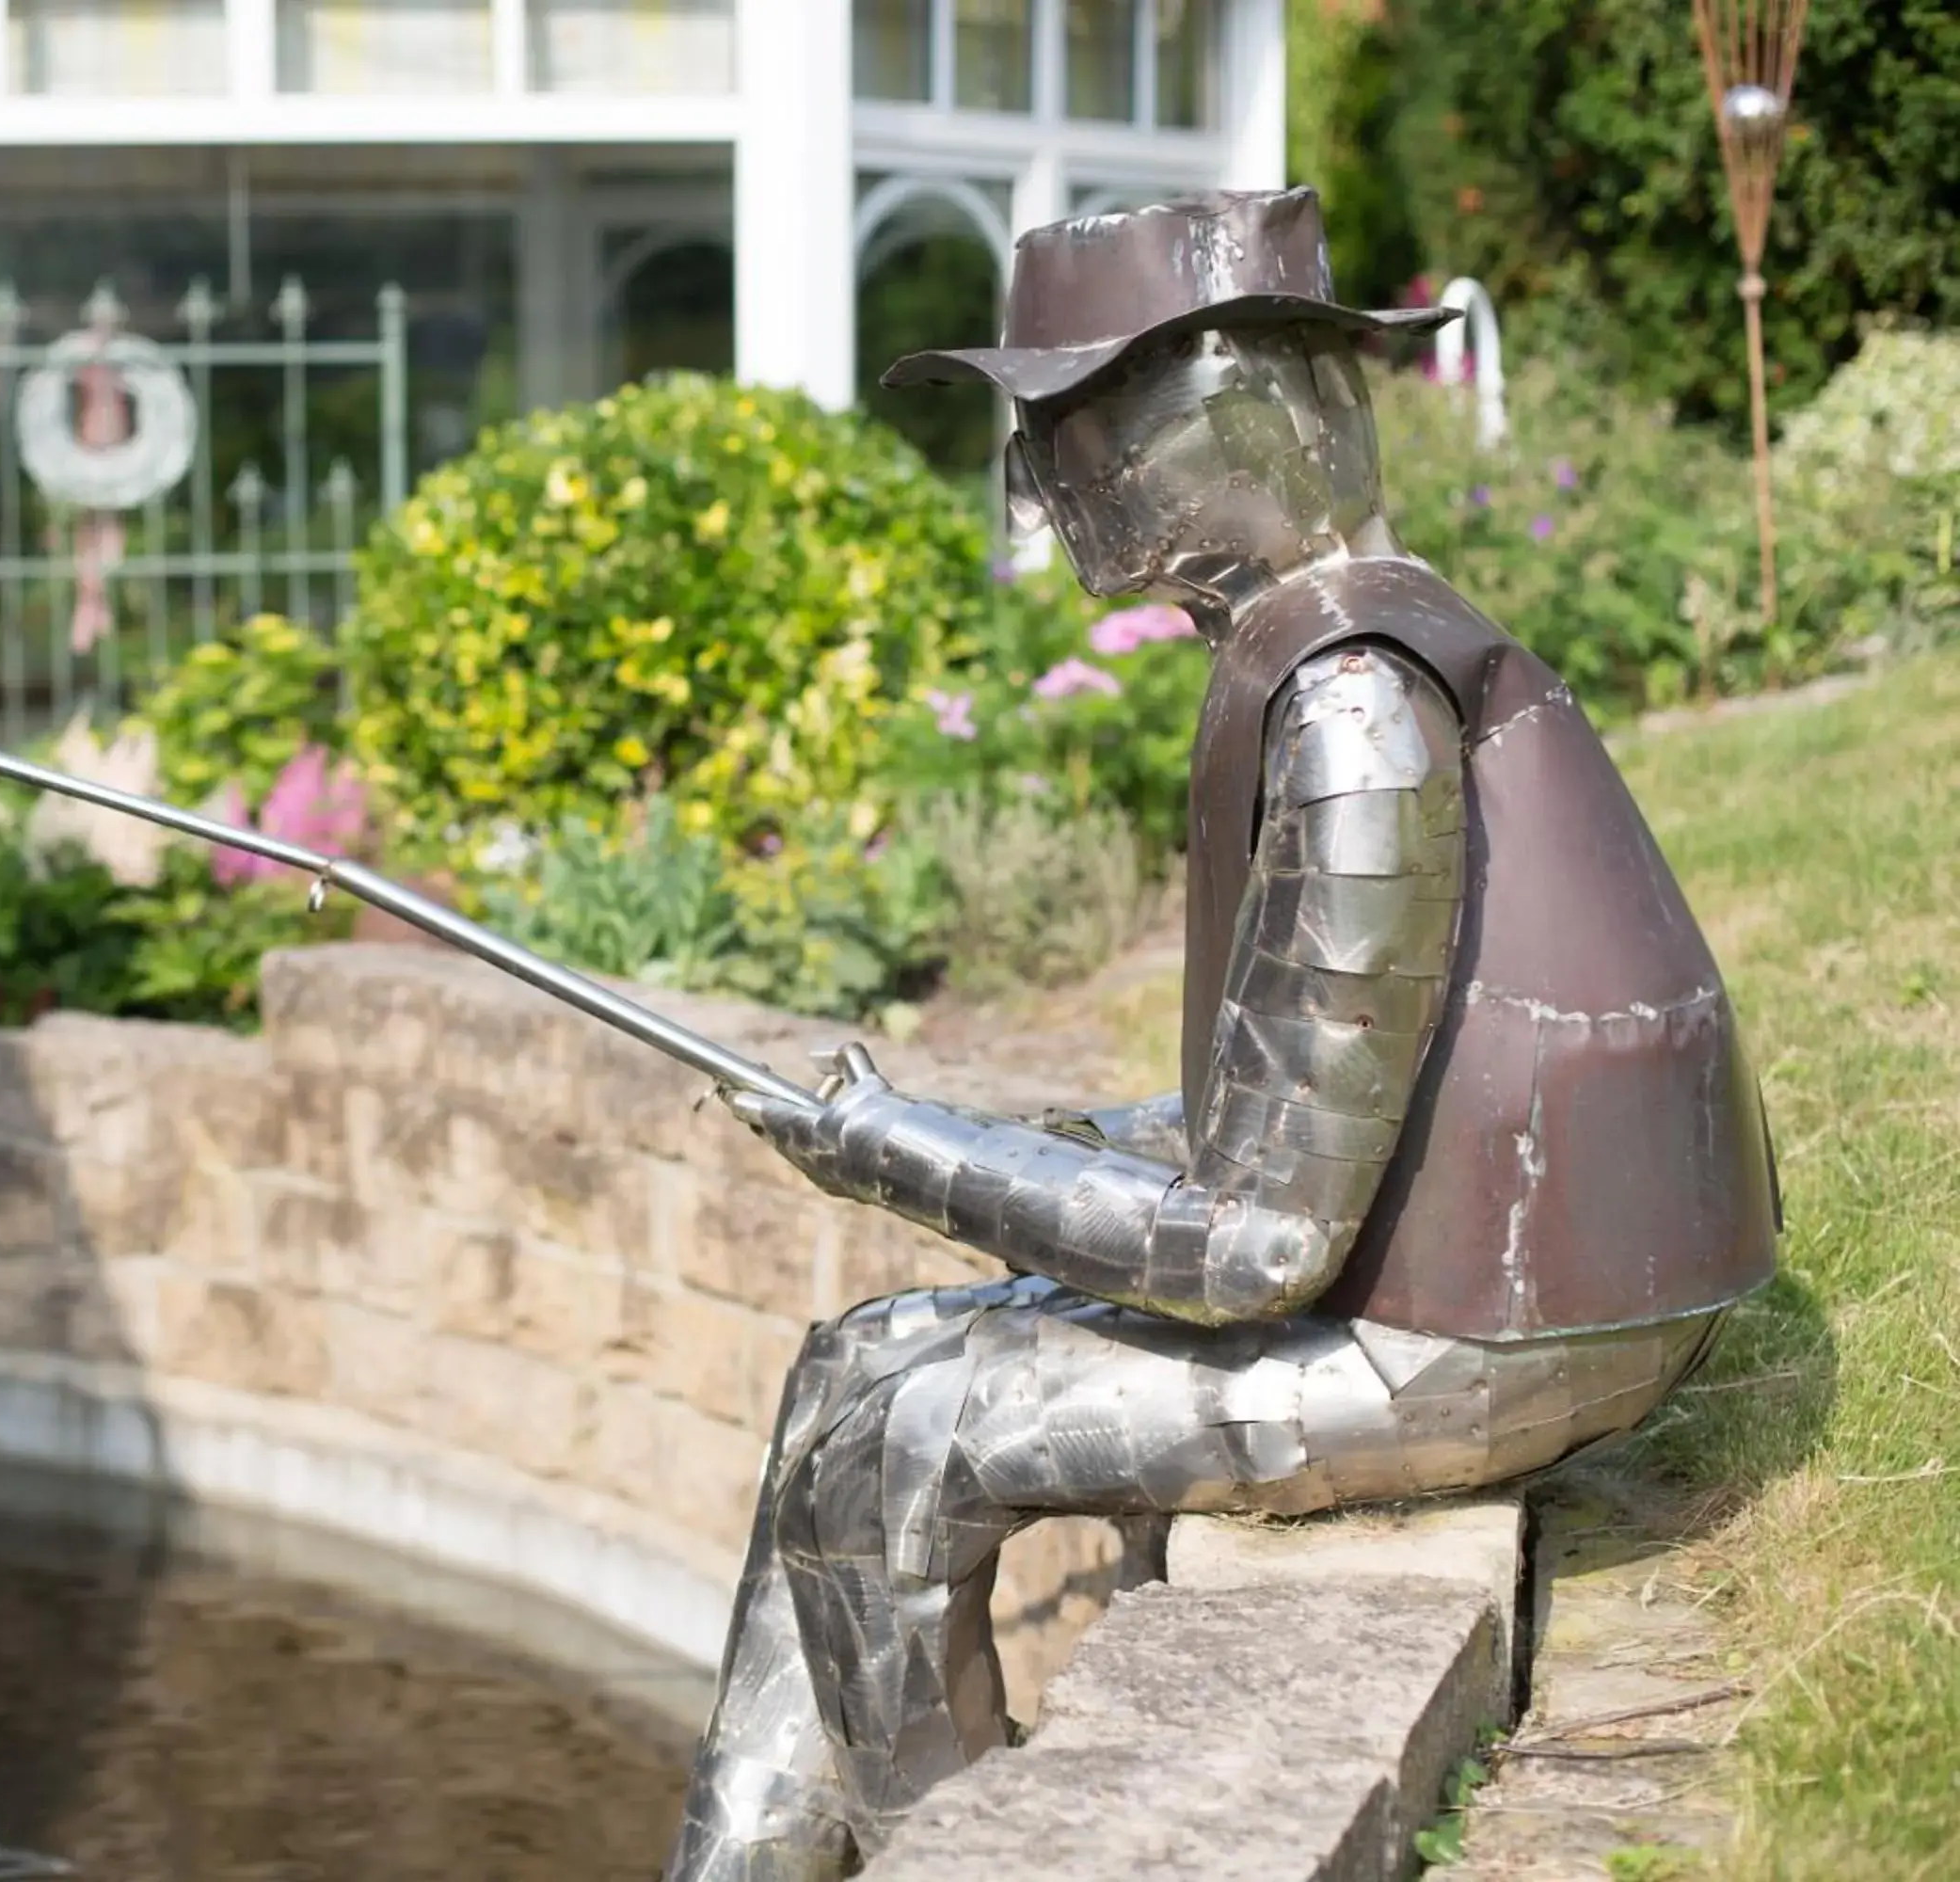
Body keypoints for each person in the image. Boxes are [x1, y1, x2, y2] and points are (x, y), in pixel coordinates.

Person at [663, 188, 1781, 1882]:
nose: (1035, 489)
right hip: (1483, 1277)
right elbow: (1275, 1122)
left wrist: (896, 1157)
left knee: (900, 1431)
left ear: (1211, 413)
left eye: (1064, 430)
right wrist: (984, 1133)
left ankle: (940, 1854)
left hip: (1493, 1333)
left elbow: (1253, 1242)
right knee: (854, 1366)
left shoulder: (1353, 712)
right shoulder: (1345, 650)